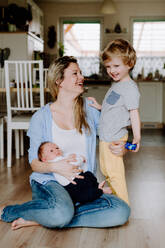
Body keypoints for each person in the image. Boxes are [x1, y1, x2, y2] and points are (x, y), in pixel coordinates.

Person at [0, 56, 130, 230]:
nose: (81, 77)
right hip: (50, 181)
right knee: (61, 212)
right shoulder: (41, 117)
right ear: (59, 81)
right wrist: (56, 167)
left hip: (82, 184)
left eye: (81, 73)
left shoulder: (90, 111)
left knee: (121, 210)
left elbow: (114, 135)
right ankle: (10, 211)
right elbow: (34, 164)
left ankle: (46, 217)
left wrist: (123, 147)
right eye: (75, 73)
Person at [88, 39, 141, 205]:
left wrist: (137, 138)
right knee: (105, 170)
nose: (112, 70)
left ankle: (123, 205)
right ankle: (115, 201)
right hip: (106, 136)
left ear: (129, 64)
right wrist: (99, 106)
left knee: (114, 173)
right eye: (108, 67)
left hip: (115, 137)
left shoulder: (130, 88)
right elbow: (112, 107)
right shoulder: (116, 84)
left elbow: (134, 113)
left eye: (116, 66)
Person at [38, 141, 112, 204]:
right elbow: (74, 163)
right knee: (85, 194)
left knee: (89, 175)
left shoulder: (62, 158)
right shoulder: (54, 162)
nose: (56, 150)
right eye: (51, 151)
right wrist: (80, 158)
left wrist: (70, 157)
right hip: (72, 185)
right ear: (44, 159)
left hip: (79, 178)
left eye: (57, 148)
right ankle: (99, 191)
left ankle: (97, 187)